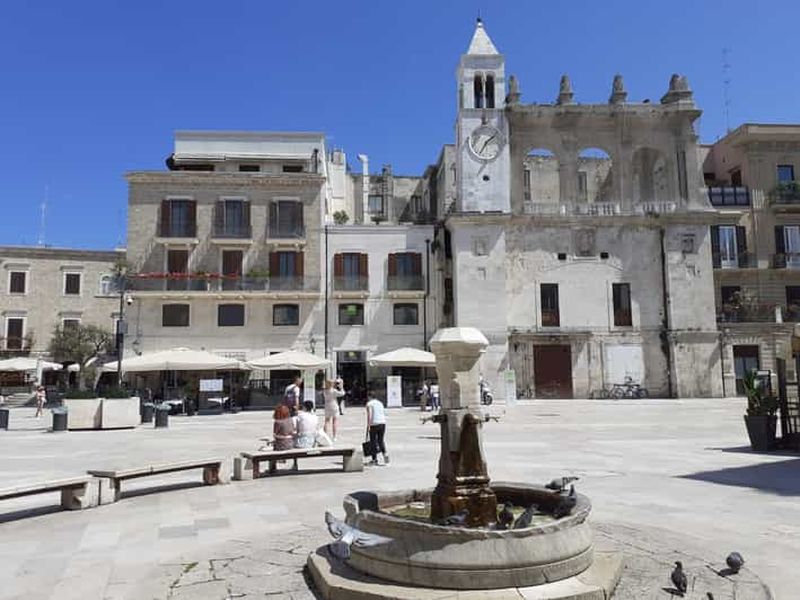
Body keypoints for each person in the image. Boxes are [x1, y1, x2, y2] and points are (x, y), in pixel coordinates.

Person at [365, 391, 389, 466]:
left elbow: (369, 415)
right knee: (380, 440)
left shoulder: (369, 404)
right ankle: (385, 455)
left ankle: (374, 459)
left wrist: (368, 426)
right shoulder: (380, 403)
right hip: (382, 423)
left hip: (374, 424)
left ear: (369, 397)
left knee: (373, 442)